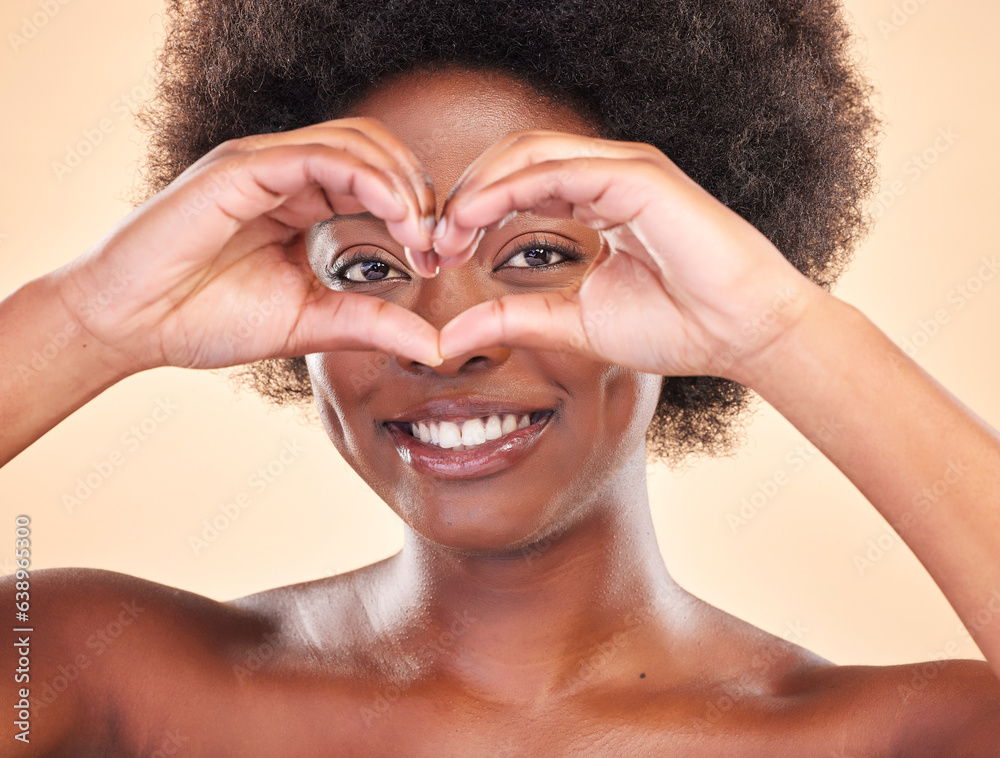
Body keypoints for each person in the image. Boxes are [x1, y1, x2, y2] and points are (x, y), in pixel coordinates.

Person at [3, 0, 1000, 754]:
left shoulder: (897, 733)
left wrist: (782, 328)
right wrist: (93, 317)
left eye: (534, 255)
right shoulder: (96, 668)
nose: (444, 337)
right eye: (368, 267)